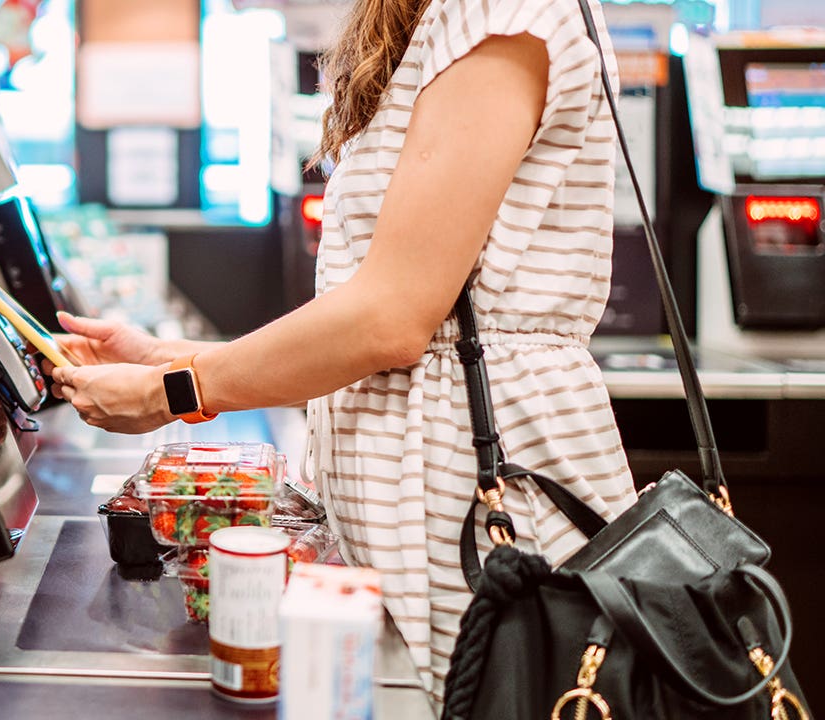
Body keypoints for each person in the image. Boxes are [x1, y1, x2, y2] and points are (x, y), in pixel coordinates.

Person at [49, 0, 637, 708]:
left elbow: (391, 320)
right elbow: (403, 325)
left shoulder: (503, 9)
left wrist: (170, 391)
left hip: (486, 515)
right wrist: (165, 358)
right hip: (437, 517)